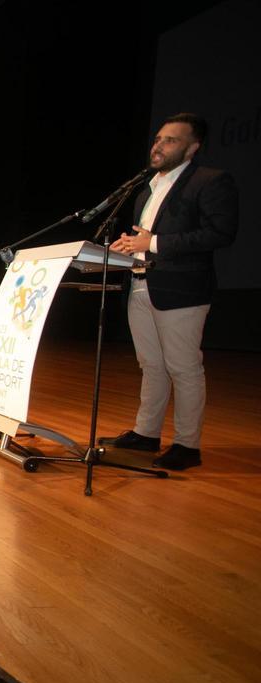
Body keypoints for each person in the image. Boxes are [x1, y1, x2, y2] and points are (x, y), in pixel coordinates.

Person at [105, 112, 239, 471]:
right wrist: (131, 245)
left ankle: (187, 445)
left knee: (184, 368)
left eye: (171, 140)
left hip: (182, 289)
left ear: (192, 148)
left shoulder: (210, 181)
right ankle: (146, 433)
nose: (159, 145)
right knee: (151, 365)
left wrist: (154, 242)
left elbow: (221, 233)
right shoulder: (147, 187)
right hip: (141, 285)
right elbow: (145, 238)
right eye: (159, 138)